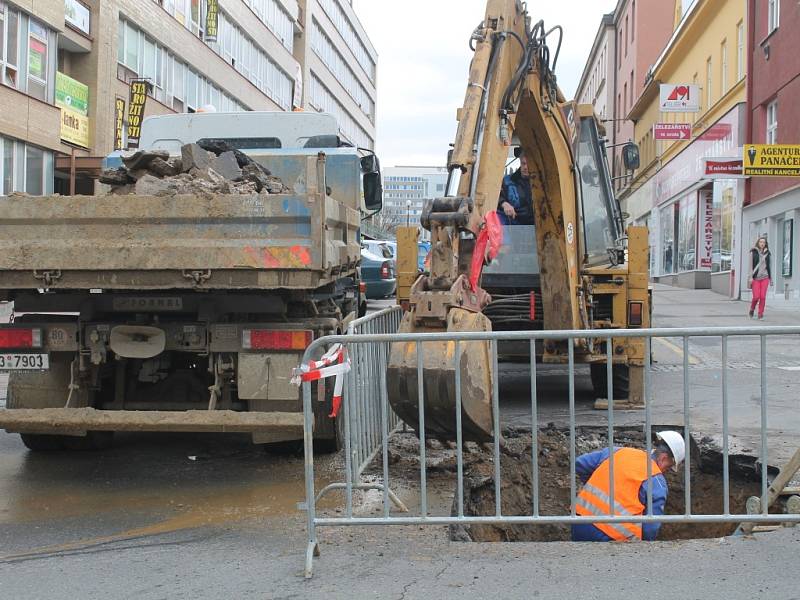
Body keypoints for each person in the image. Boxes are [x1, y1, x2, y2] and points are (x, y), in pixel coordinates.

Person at [572, 431, 685, 542]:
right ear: (664, 459)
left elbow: (580, 463)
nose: (665, 471)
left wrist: (595, 484)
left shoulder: (618, 452)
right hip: (614, 535)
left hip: (580, 522)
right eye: (668, 467)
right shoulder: (656, 481)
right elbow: (651, 527)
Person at [497, 154, 534, 226]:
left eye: (529, 164)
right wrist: (504, 203)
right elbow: (495, 196)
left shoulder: (542, 184)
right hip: (513, 223)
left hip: (538, 224)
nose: (525, 167)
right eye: (523, 164)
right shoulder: (507, 181)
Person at [748, 237, 772, 320]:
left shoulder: (768, 253)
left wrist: (770, 278)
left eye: (764, 242)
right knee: (756, 297)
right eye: (761, 242)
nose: (762, 243)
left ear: (765, 244)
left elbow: (769, 266)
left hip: (765, 278)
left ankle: (760, 314)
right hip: (755, 278)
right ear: (758, 243)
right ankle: (752, 309)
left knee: (762, 297)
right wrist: (750, 277)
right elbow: (750, 266)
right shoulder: (753, 252)